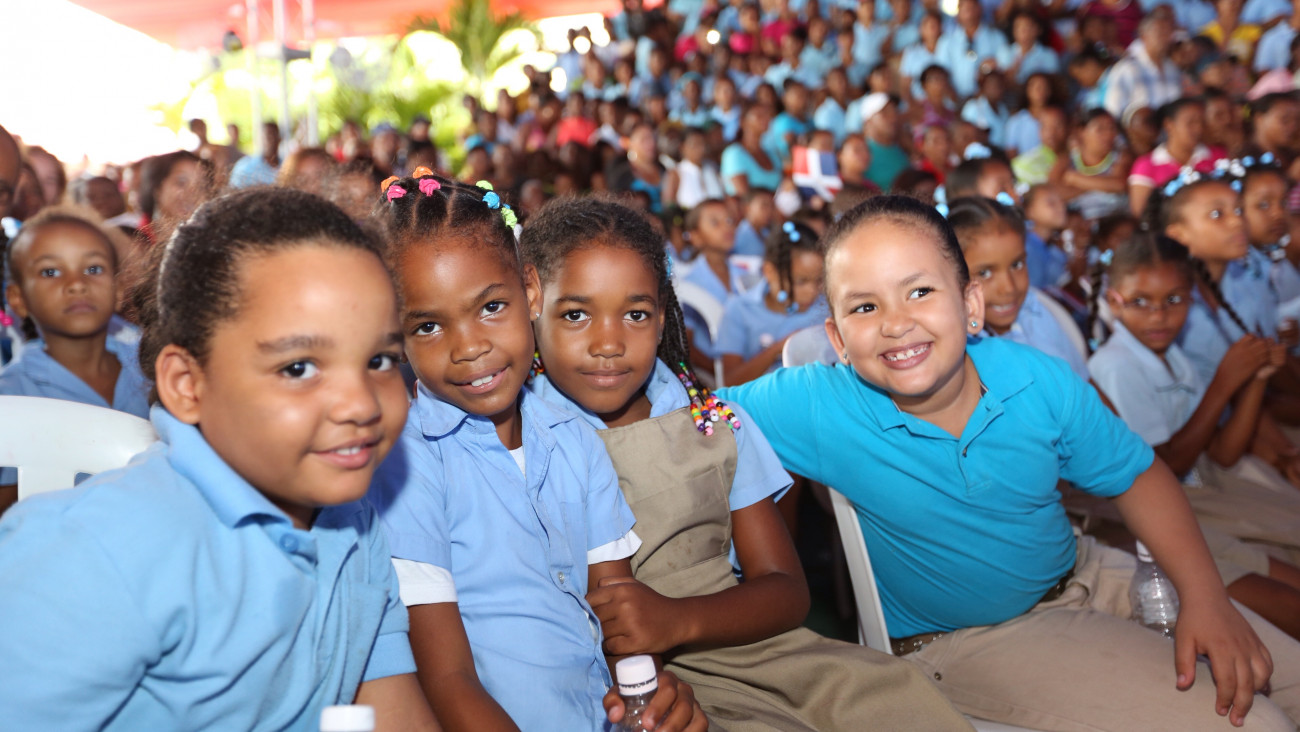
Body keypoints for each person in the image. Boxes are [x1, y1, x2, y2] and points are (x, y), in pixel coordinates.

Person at [719, 194, 1300, 730]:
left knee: (1281, 675)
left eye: (920, 292)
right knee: (1257, 723)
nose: (895, 323)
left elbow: (1137, 473)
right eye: (865, 306)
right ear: (838, 340)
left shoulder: (1034, 378)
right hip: (972, 640)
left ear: (970, 304)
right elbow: (694, 414)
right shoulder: (820, 404)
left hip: (1088, 569)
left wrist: (1205, 597)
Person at [520, 196, 975, 731]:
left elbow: (786, 590)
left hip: (747, 647)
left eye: (636, 314)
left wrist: (674, 619)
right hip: (608, 682)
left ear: (663, 317)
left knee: (899, 702)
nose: (608, 343)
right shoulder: (523, 443)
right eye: (576, 315)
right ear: (533, 305)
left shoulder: (713, 424)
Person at [0, 188, 440, 731]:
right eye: (299, 368)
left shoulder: (352, 526)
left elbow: (392, 708)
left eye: (380, 360)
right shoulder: (97, 552)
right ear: (188, 384)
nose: (361, 404)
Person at [365, 173, 705, 732]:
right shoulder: (409, 466)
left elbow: (619, 621)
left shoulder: (575, 438)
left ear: (530, 291)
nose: (469, 346)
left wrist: (648, 697)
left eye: (491, 306)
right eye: (427, 326)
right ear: (393, 335)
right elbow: (447, 679)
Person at [1087, 232, 1300, 639]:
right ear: (1114, 302)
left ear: (1192, 299)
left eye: (1174, 299)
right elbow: (1164, 466)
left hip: (1205, 484)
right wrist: (1223, 384)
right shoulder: (1115, 366)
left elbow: (1222, 452)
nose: (1159, 315)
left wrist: (1255, 381)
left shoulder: (1175, 357)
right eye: (1140, 301)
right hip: (1172, 504)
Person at [0, 208, 150, 511]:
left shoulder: (153, 370)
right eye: (50, 272)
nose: (77, 283)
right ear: (19, 299)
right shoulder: (12, 395)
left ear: (118, 290)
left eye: (93, 269)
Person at [947, 196, 1089, 379]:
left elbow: (1084, 382)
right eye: (984, 273)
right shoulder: (961, 355)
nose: (1009, 288)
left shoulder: (1035, 310)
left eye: (1017, 265)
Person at [717, 221, 829, 384]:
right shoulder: (739, 309)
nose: (812, 291)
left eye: (819, 280)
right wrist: (779, 349)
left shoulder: (825, 308)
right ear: (769, 271)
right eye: (801, 281)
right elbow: (730, 382)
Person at [1128, 98, 1226, 216]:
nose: (1198, 128)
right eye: (1190, 122)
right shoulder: (1146, 165)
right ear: (1169, 124)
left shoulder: (1218, 156)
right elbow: (1140, 213)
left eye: (1202, 122)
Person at [1052, 109, 1132, 220]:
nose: (1108, 134)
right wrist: (1102, 184)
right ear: (1081, 132)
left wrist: (1075, 179)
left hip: (1114, 221)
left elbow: (1119, 184)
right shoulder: (1066, 161)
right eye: (1100, 129)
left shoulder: (1121, 157)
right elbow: (1054, 193)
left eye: (1111, 128)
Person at [1103, 10, 1182, 120]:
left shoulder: (1173, 69)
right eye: (1160, 32)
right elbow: (1113, 112)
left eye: (1169, 33)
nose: (1166, 38)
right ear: (1144, 36)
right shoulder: (1127, 69)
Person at [136, 150, 210, 246]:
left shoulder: (211, 241)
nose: (193, 193)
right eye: (181, 182)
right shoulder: (135, 242)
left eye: (201, 186)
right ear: (157, 188)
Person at [721, 107, 783, 198]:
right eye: (759, 116)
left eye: (768, 116)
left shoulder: (771, 153)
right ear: (743, 121)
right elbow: (744, 196)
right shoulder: (734, 154)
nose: (766, 119)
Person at [229, 122, 283, 189]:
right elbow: (233, 190)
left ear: (280, 139)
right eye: (265, 136)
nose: (269, 141)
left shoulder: (287, 166)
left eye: (272, 136)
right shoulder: (244, 167)